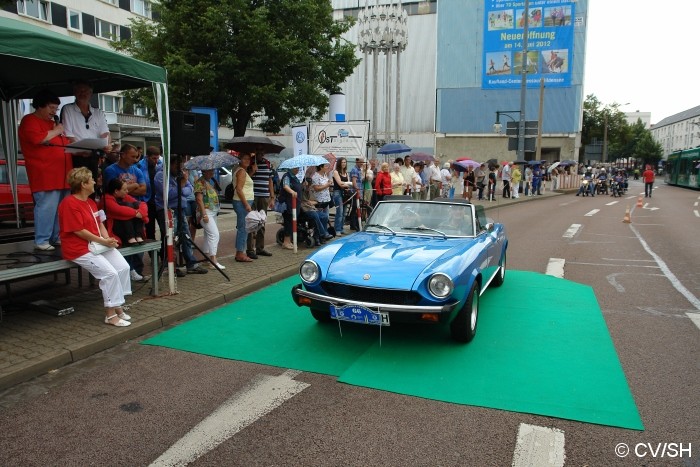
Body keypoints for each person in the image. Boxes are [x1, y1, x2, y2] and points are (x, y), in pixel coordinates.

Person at [58, 167, 132, 327]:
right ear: (83, 184)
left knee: (123, 268)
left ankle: (117, 305)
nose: (95, 181)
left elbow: (100, 222)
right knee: (110, 274)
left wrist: (107, 239)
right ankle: (111, 315)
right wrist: (104, 241)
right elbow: (79, 231)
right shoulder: (69, 203)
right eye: (91, 179)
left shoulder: (91, 202)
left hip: (97, 244)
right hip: (79, 248)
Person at [18, 89, 74, 251]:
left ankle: (55, 236)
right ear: (40, 106)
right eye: (51, 108)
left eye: (56, 109)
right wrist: (56, 131)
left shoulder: (53, 124)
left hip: (63, 173)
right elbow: (38, 139)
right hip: (45, 173)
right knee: (47, 207)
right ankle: (41, 239)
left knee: (61, 208)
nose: (53, 112)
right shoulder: (30, 120)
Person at [154, 155, 208, 275]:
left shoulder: (180, 175)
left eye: (181, 166)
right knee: (171, 238)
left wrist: (182, 187)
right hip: (167, 210)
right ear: (170, 164)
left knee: (186, 236)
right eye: (177, 166)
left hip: (181, 209)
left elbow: (190, 189)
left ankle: (191, 264)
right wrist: (182, 184)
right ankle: (172, 266)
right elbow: (168, 194)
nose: (180, 169)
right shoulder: (161, 176)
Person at [103, 143, 149, 282]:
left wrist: (128, 188)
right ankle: (128, 271)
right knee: (127, 242)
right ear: (122, 155)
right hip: (121, 215)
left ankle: (137, 271)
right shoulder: (111, 170)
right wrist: (134, 186)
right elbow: (114, 190)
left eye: (137, 157)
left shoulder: (137, 170)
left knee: (139, 240)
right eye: (132, 156)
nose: (135, 160)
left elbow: (143, 190)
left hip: (136, 209)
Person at [60, 80, 111, 182]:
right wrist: (81, 150)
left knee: (92, 186)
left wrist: (108, 144)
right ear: (74, 93)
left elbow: (106, 133)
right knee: (78, 186)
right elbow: (68, 135)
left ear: (91, 93)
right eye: (79, 91)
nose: (82, 93)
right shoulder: (68, 109)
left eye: (85, 91)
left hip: (94, 156)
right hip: (76, 157)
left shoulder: (98, 112)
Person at [246, 150, 276, 259]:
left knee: (262, 222)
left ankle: (260, 248)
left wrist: (272, 197)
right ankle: (250, 249)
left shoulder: (267, 163)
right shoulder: (250, 163)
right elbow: (245, 179)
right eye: (259, 153)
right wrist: (252, 171)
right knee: (251, 222)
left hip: (264, 196)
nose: (261, 155)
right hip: (252, 196)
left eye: (263, 153)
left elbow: (270, 180)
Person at [194, 168, 224, 269]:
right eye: (210, 170)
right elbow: (199, 199)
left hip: (212, 212)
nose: (213, 172)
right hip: (206, 212)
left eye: (213, 170)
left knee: (208, 235)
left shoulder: (208, 181)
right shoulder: (200, 182)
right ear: (204, 171)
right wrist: (204, 214)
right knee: (214, 234)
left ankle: (207, 258)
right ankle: (213, 260)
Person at [103, 178, 147, 246]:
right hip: (116, 228)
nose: (127, 191)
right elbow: (119, 210)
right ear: (116, 191)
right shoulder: (106, 199)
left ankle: (138, 235)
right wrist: (136, 213)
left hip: (130, 227)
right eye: (124, 190)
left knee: (136, 205)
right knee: (127, 208)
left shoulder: (123, 196)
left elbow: (142, 204)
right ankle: (131, 237)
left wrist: (141, 213)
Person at [232, 153, 255, 262]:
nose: (247, 160)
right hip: (242, 203)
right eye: (244, 158)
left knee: (243, 227)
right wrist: (246, 204)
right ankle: (240, 253)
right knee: (243, 228)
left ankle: (240, 252)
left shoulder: (242, 171)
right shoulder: (241, 171)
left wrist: (252, 172)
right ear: (240, 160)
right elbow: (239, 189)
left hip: (243, 202)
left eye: (248, 159)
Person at [137, 146, 162, 240]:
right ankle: (153, 253)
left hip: (158, 200)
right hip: (147, 201)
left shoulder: (161, 165)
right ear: (147, 157)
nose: (156, 160)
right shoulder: (140, 166)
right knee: (150, 228)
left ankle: (164, 252)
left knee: (164, 228)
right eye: (153, 158)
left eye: (157, 158)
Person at [279, 167, 303, 249]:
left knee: (292, 222)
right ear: (290, 168)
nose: (297, 170)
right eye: (295, 168)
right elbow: (286, 186)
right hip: (288, 204)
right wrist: (292, 191)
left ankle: (290, 240)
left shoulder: (295, 177)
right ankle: (286, 242)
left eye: (298, 168)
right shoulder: (287, 176)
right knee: (288, 222)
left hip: (296, 203)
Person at [310, 163, 334, 242]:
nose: (327, 167)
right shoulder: (315, 176)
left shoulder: (325, 175)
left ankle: (324, 235)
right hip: (319, 201)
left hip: (326, 200)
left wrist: (329, 183)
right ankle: (318, 236)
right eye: (325, 166)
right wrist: (327, 185)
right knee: (319, 219)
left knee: (325, 218)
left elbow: (326, 186)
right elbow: (316, 188)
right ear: (321, 167)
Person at [332, 157, 352, 236]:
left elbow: (348, 184)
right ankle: (337, 229)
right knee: (339, 212)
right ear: (339, 163)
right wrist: (348, 183)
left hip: (345, 193)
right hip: (337, 193)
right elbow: (340, 183)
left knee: (344, 213)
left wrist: (347, 184)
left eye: (345, 162)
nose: (344, 164)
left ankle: (341, 228)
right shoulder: (336, 172)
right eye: (342, 162)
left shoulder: (346, 173)